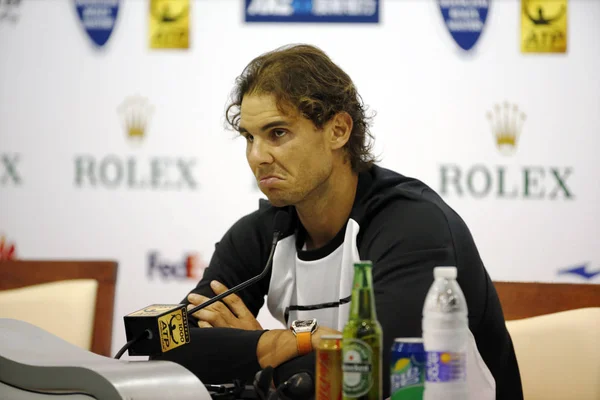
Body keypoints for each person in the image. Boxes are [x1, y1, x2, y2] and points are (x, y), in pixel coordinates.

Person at [151, 44, 523, 400]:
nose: (257, 156)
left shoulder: (414, 226)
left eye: (277, 133)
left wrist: (253, 356)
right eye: (249, 137)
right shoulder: (261, 233)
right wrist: (277, 343)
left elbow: (370, 375)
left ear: (338, 131)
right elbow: (166, 348)